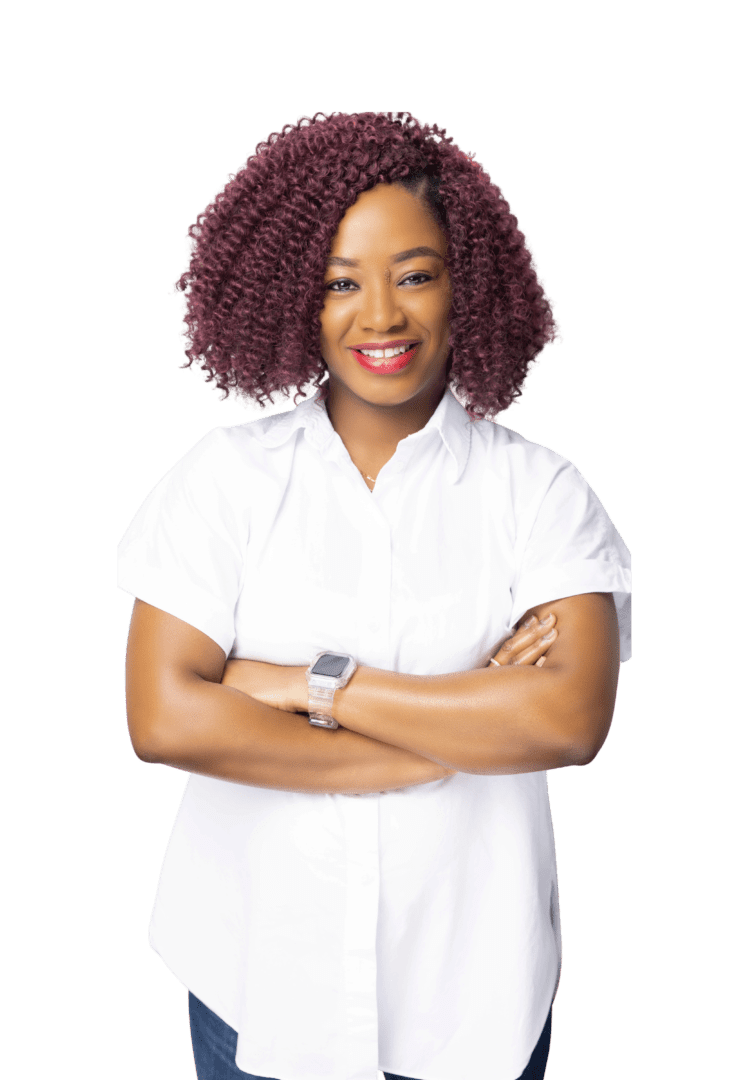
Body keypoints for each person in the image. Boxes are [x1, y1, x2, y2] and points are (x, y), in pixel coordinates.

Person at [118, 111, 632, 1080]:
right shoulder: (223, 481)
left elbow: (567, 717)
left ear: (465, 285)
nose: (381, 316)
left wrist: (303, 686)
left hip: (469, 1009)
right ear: (291, 298)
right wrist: (443, 732)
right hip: (254, 995)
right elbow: (163, 716)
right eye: (340, 282)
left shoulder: (542, 495)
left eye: (415, 274)